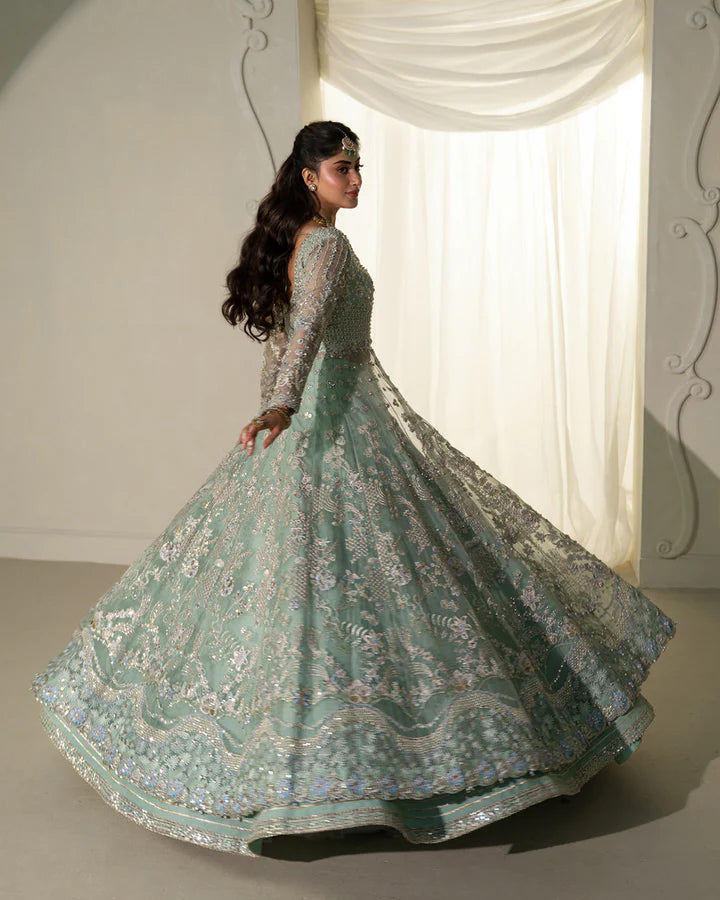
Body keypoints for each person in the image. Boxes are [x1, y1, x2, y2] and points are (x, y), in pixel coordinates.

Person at [30, 120, 676, 857]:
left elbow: (284, 340)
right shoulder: (327, 247)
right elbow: (303, 331)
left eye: (360, 167)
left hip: (315, 421)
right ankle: (367, 767)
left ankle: (336, 763)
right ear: (309, 176)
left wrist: (278, 406)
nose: (358, 180)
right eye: (344, 168)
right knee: (371, 581)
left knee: (328, 584)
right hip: (331, 422)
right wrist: (283, 405)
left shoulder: (300, 241)